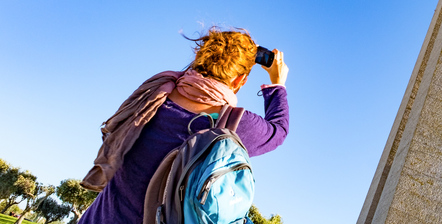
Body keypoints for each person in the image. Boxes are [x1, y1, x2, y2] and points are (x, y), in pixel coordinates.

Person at [79, 27, 289, 224]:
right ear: (239, 80)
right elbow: (279, 131)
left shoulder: (155, 94)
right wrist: (277, 83)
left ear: (199, 59)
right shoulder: (235, 124)